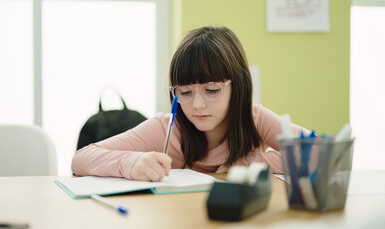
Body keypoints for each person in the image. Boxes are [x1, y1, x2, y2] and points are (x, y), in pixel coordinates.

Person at [72, 26, 309, 181]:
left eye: (212, 90)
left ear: (238, 87)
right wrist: (131, 162)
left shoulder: (255, 119)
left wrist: (258, 164)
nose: (197, 105)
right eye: (184, 92)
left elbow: (325, 152)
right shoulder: (166, 129)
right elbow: (81, 158)